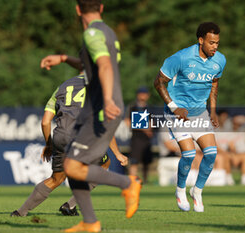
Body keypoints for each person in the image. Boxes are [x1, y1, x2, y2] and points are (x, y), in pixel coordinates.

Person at [39, 1, 142, 231]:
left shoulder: (92, 33)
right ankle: (89, 222)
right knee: (72, 164)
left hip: (101, 110)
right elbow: (94, 68)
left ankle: (129, 183)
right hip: (98, 109)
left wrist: (106, 101)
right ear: (102, 8)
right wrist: (65, 58)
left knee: (73, 167)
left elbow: (104, 66)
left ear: (77, 10)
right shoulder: (107, 33)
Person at [10, 74, 128, 217]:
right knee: (104, 164)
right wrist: (117, 153)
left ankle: (20, 212)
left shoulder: (62, 87)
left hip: (60, 137)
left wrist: (49, 145)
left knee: (56, 179)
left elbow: (45, 122)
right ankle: (70, 205)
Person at [154, 22, 226, 212]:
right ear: (201, 40)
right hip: (177, 114)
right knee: (189, 154)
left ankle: (197, 191)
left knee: (211, 154)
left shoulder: (220, 60)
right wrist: (174, 107)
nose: (215, 47)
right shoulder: (180, 58)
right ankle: (180, 190)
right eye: (211, 43)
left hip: (199, 113)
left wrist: (213, 111)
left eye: (217, 43)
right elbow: (159, 83)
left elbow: (214, 85)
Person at [124, 87, 153, 183]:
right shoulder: (133, 106)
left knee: (146, 161)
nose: (143, 96)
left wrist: (150, 128)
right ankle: (132, 180)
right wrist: (144, 128)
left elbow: (151, 122)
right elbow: (127, 122)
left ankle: (145, 180)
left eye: (145, 94)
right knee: (134, 160)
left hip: (147, 139)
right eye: (141, 94)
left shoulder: (149, 108)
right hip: (136, 138)